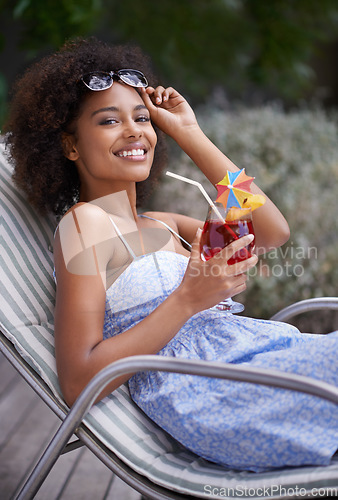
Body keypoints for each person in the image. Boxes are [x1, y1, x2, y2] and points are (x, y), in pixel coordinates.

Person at [5, 37, 337, 472]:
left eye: (142, 118)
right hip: (219, 394)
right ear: (70, 147)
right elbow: (79, 378)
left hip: (260, 362)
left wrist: (190, 134)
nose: (134, 130)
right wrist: (187, 300)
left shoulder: (164, 223)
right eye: (109, 121)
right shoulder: (85, 224)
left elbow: (271, 231)